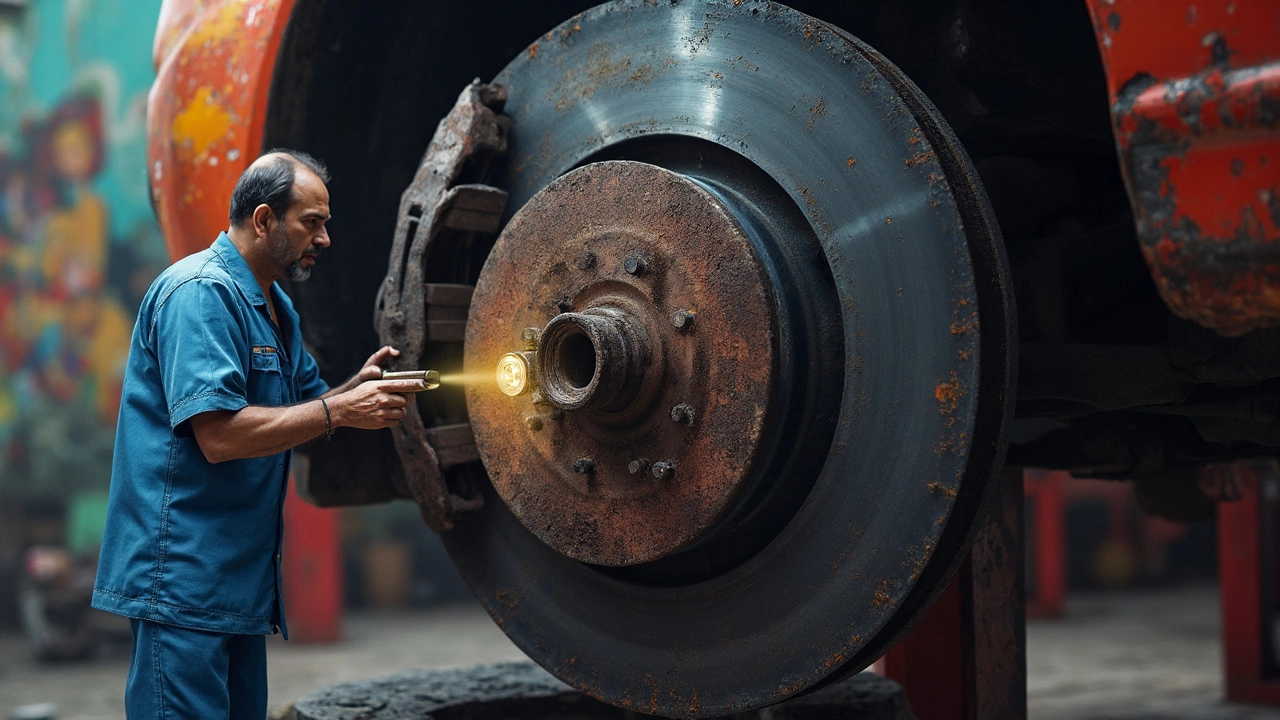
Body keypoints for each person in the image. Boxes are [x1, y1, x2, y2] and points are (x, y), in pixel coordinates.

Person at [92, 150, 423, 718]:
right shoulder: (199, 292)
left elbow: (304, 408)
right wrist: (341, 411)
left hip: (236, 585)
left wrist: (351, 390)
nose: (324, 239)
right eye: (311, 222)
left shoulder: (276, 309)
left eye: (325, 223)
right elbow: (219, 436)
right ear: (265, 219)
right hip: (181, 581)